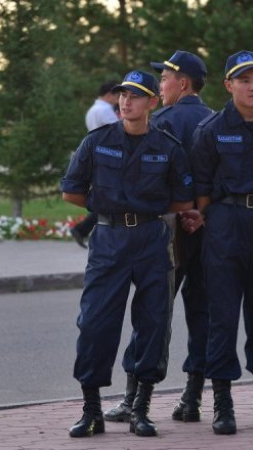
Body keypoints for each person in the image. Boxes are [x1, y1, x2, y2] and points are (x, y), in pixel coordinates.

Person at [61, 70, 194, 438]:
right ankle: (91, 412)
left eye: (135, 96)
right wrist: (111, 204)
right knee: (95, 323)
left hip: (152, 238)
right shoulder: (97, 141)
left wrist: (144, 207)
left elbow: (182, 199)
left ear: (152, 102)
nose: (125, 101)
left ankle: (141, 408)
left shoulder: (168, 147)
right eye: (122, 95)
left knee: (153, 322)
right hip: (109, 239)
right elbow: (72, 191)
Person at [185, 50, 253, 435]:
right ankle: (223, 403)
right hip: (225, 224)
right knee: (223, 315)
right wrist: (216, 219)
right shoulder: (212, 130)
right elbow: (201, 187)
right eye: (245, 80)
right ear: (228, 85)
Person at [103, 50, 213, 425]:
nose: (160, 85)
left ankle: (133, 397)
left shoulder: (160, 121)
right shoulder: (215, 121)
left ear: (182, 83)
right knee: (203, 314)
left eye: (164, 78)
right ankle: (193, 397)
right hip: (209, 231)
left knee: (153, 316)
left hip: (167, 233)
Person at [71, 81, 121, 249]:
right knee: (110, 198)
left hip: (97, 158)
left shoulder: (93, 110)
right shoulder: (105, 111)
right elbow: (118, 132)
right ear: (109, 95)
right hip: (110, 159)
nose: (120, 99)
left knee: (107, 197)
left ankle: (83, 229)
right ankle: (83, 229)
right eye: (118, 95)